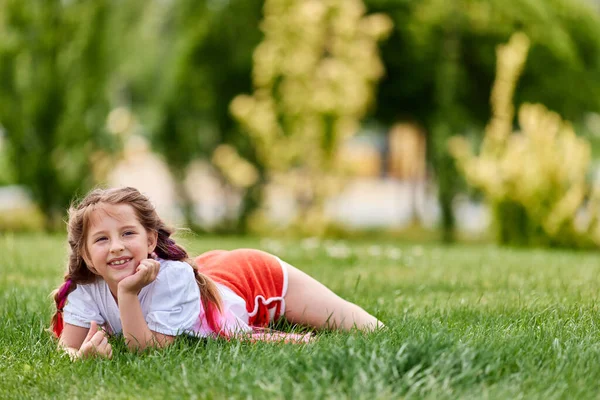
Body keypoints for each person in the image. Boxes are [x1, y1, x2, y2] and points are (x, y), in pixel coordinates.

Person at [50, 187, 384, 359]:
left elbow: (146, 352)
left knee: (367, 329)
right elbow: (68, 348)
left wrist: (128, 293)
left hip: (251, 277)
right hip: (205, 277)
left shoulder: (173, 277)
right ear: (88, 258)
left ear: (151, 240)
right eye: (102, 239)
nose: (117, 247)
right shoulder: (87, 288)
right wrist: (81, 357)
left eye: (127, 233)